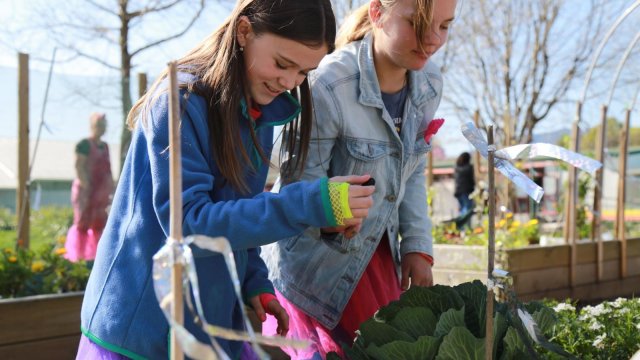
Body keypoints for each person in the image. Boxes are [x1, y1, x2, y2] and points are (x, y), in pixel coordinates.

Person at [77, 1, 376, 359]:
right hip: (143, 330)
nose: (289, 82)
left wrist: (254, 281)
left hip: (207, 322)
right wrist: (312, 203)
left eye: (303, 72)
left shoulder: (257, 109)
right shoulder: (180, 102)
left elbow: (236, 212)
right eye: (282, 64)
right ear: (244, 31)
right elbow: (189, 223)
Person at [261, 0, 457, 358]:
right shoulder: (329, 84)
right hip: (317, 267)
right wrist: (334, 216)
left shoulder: (429, 83)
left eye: (444, 27)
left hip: (377, 256)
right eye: (417, 23)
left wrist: (416, 245)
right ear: (378, 13)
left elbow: (410, 173)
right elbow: (297, 187)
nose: (431, 40)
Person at [64, 112, 114, 262]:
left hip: (101, 192)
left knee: (99, 222)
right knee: (82, 222)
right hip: (86, 190)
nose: (101, 129)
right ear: (92, 126)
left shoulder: (105, 146)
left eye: (103, 126)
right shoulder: (84, 144)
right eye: (99, 126)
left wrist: (110, 188)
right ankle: (78, 255)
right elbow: (79, 166)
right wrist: (87, 186)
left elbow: (107, 168)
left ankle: (96, 256)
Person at [454, 151, 475, 216]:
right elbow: (471, 180)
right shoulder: (469, 168)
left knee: (462, 208)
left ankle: (460, 224)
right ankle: (464, 224)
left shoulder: (457, 167)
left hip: (458, 192)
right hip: (466, 191)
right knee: (467, 209)